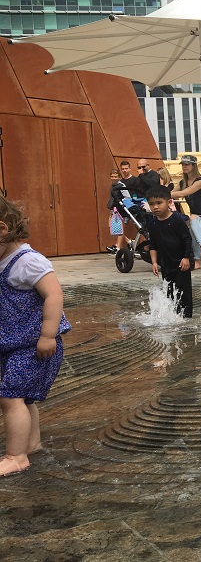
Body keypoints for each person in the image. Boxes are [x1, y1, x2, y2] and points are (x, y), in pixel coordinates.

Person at [0, 195, 71, 477]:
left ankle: (15, 456)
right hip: (12, 344)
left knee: (9, 397)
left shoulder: (27, 262)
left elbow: (54, 294)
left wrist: (48, 334)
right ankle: (31, 443)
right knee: (23, 397)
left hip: (34, 344)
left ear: (2, 229)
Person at [146, 186, 194, 318]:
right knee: (169, 292)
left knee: (183, 293)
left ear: (169, 202)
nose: (155, 207)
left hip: (181, 264)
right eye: (151, 204)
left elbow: (187, 239)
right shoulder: (153, 224)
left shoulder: (177, 220)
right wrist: (154, 262)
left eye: (159, 203)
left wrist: (186, 257)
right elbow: (153, 245)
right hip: (166, 264)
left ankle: (186, 317)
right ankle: (172, 316)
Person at [170, 155, 201, 270]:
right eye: (183, 164)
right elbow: (173, 192)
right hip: (196, 216)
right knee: (194, 222)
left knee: (195, 228)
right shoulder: (183, 182)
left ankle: (198, 258)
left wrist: (164, 194)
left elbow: (184, 193)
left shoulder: (200, 182)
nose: (184, 167)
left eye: (187, 164)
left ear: (194, 166)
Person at [106, 168, 131, 254]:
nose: (113, 178)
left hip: (122, 210)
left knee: (120, 228)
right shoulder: (112, 186)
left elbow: (128, 197)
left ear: (119, 177)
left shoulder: (122, 186)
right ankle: (129, 242)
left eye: (115, 176)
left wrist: (123, 205)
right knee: (115, 228)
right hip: (115, 210)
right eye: (112, 176)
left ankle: (118, 247)